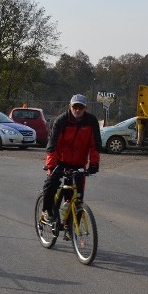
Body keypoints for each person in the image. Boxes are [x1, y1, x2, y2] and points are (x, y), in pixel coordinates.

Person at [41, 93, 101, 222]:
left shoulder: (91, 121)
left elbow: (95, 145)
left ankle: (71, 228)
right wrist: (51, 166)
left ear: (85, 108)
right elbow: (52, 146)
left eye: (81, 107)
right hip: (60, 162)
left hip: (79, 163)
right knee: (51, 185)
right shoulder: (61, 121)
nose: (78, 110)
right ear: (70, 106)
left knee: (77, 198)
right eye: (75, 107)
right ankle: (47, 211)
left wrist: (94, 164)